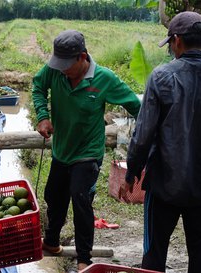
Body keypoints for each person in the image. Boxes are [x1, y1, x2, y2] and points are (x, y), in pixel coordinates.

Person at [120, 11, 201, 273]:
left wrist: (131, 172)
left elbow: (143, 135)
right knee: (200, 255)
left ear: (176, 40)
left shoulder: (162, 76)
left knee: (154, 252)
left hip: (164, 185)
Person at [32, 29, 141, 271]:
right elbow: (38, 86)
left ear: (82, 57)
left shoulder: (105, 78)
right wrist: (42, 116)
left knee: (80, 199)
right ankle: (51, 242)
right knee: (54, 196)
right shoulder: (55, 69)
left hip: (88, 153)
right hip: (62, 150)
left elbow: (137, 107)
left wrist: (150, 136)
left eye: (66, 65)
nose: (61, 70)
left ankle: (84, 259)